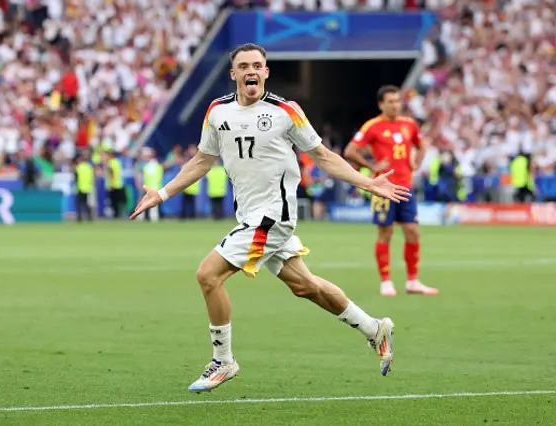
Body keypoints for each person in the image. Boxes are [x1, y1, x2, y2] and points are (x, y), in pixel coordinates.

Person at [130, 44, 410, 393]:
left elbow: (322, 156)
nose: (252, 70)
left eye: (258, 65)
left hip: (272, 218)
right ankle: (374, 328)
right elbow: (202, 160)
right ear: (233, 74)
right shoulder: (217, 111)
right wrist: (163, 193)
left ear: (266, 72)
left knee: (208, 275)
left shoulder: (285, 111)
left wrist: (368, 183)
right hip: (250, 215)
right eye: (244, 65)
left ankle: (224, 360)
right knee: (305, 286)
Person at [344, 85, 439, 297]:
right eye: (391, 102)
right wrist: (372, 166)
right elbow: (350, 151)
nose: (395, 105)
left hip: (406, 187)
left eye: (398, 101)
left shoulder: (409, 124)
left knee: (413, 232)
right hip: (383, 189)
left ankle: (413, 281)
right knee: (385, 232)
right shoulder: (373, 126)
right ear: (381, 104)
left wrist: (417, 161)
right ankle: (386, 281)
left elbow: (421, 145)